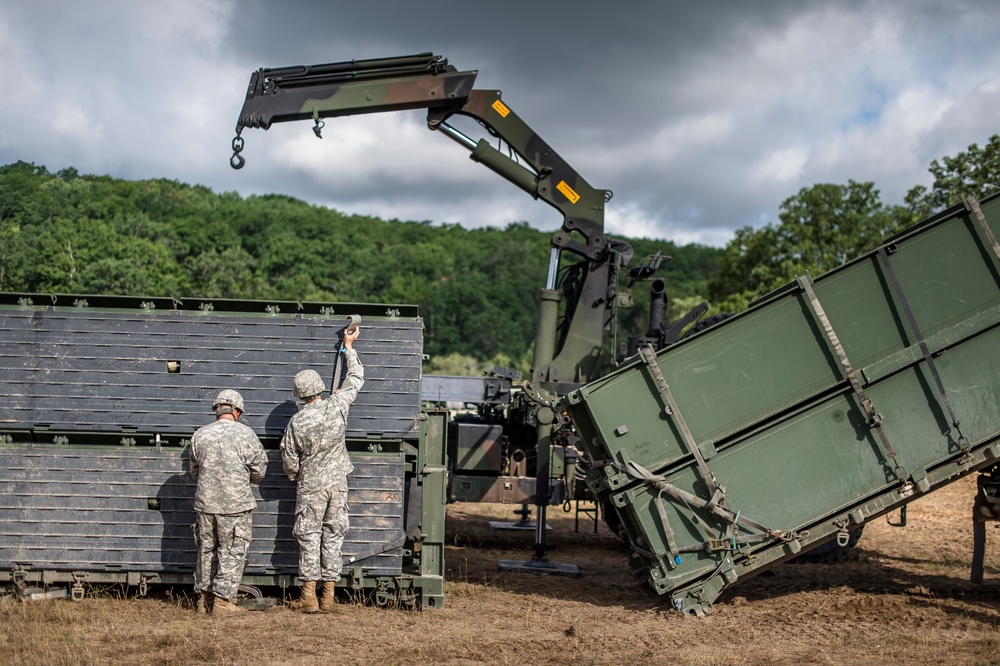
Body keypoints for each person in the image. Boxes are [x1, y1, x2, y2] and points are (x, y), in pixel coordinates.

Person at [281, 325, 364, 613]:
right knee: (333, 536)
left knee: (309, 537)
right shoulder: (337, 407)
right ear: (318, 389)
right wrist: (349, 348)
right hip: (337, 484)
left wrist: (296, 475)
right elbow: (355, 379)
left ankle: (308, 597)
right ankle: (329, 595)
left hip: (310, 486)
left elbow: (289, 461)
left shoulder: (296, 423)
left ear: (299, 394)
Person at [189, 389, 268, 616]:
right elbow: (259, 472)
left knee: (206, 550)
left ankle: (203, 601)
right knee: (232, 551)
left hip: (205, 504)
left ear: (217, 409)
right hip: (236, 505)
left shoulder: (200, 436)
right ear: (237, 410)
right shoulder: (246, 435)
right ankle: (223, 602)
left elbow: (194, 471)